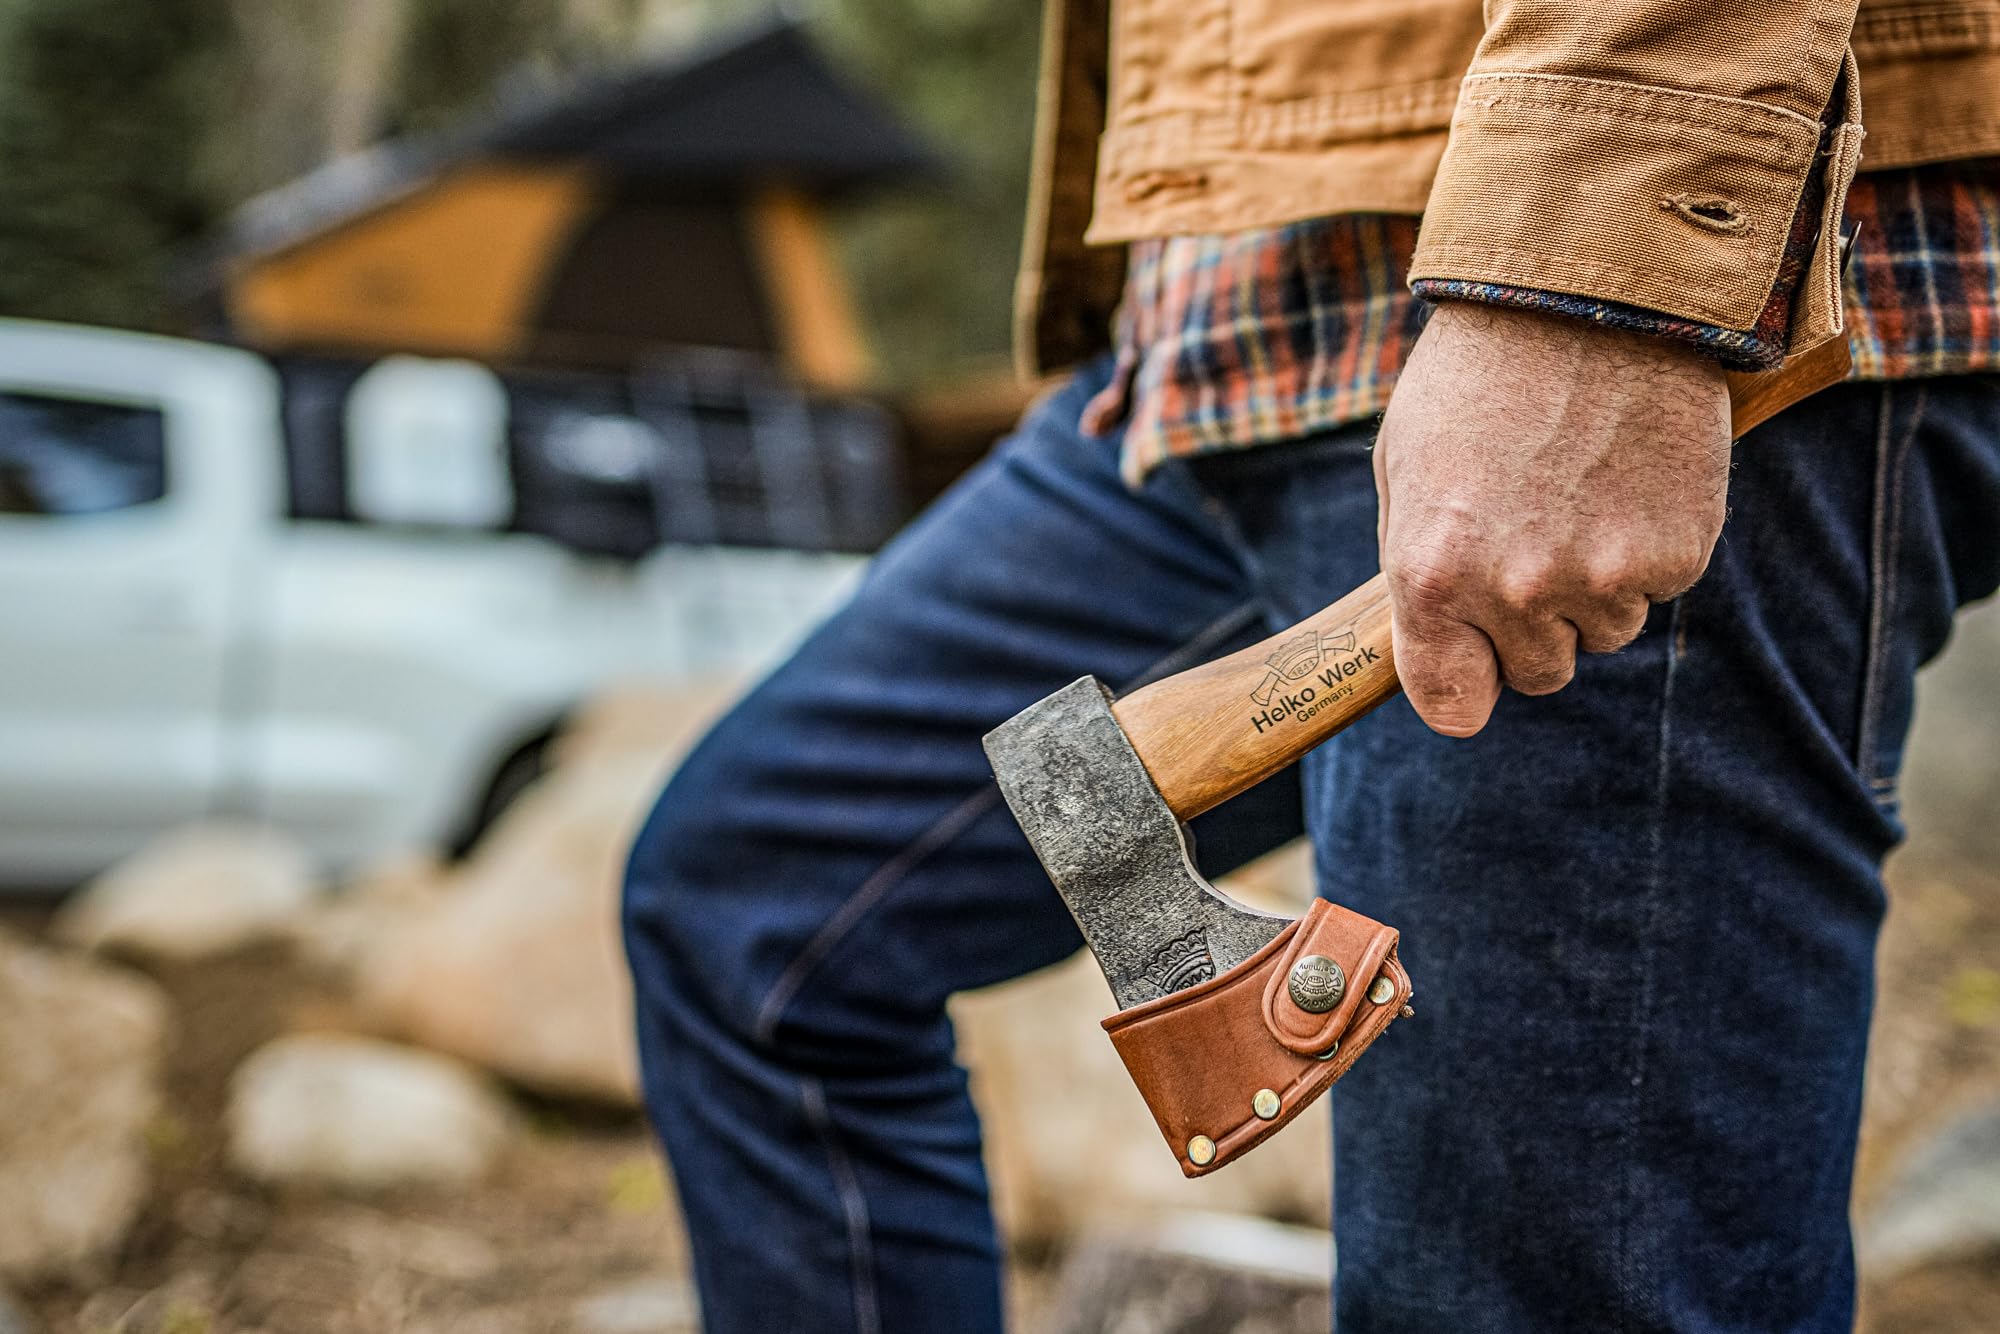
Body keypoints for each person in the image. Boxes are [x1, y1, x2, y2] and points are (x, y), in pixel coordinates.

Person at [623, 0, 2000, 1328]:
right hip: (1228, 322)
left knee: (1523, 1297)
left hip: (1588, 297)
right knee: (762, 922)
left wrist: (1606, 271)